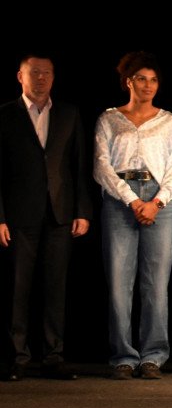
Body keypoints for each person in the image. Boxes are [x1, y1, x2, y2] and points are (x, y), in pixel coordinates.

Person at [0, 55, 92, 381]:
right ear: (20, 76)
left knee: (56, 287)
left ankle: (54, 356)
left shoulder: (68, 113)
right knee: (18, 288)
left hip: (60, 212)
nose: (41, 78)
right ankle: (18, 357)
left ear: (53, 78)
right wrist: (0, 217)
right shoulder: (5, 114)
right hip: (19, 214)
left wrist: (82, 211)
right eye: (34, 72)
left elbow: (79, 165)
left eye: (47, 73)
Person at [93, 51, 172, 381]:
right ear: (128, 81)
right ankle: (123, 356)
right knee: (119, 282)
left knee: (156, 283)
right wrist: (132, 200)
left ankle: (153, 356)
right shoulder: (109, 119)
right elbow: (102, 166)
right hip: (120, 201)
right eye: (141, 79)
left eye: (153, 80)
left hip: (159, 199)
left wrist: (156, 202)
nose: (148, 85)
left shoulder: (169, 121)